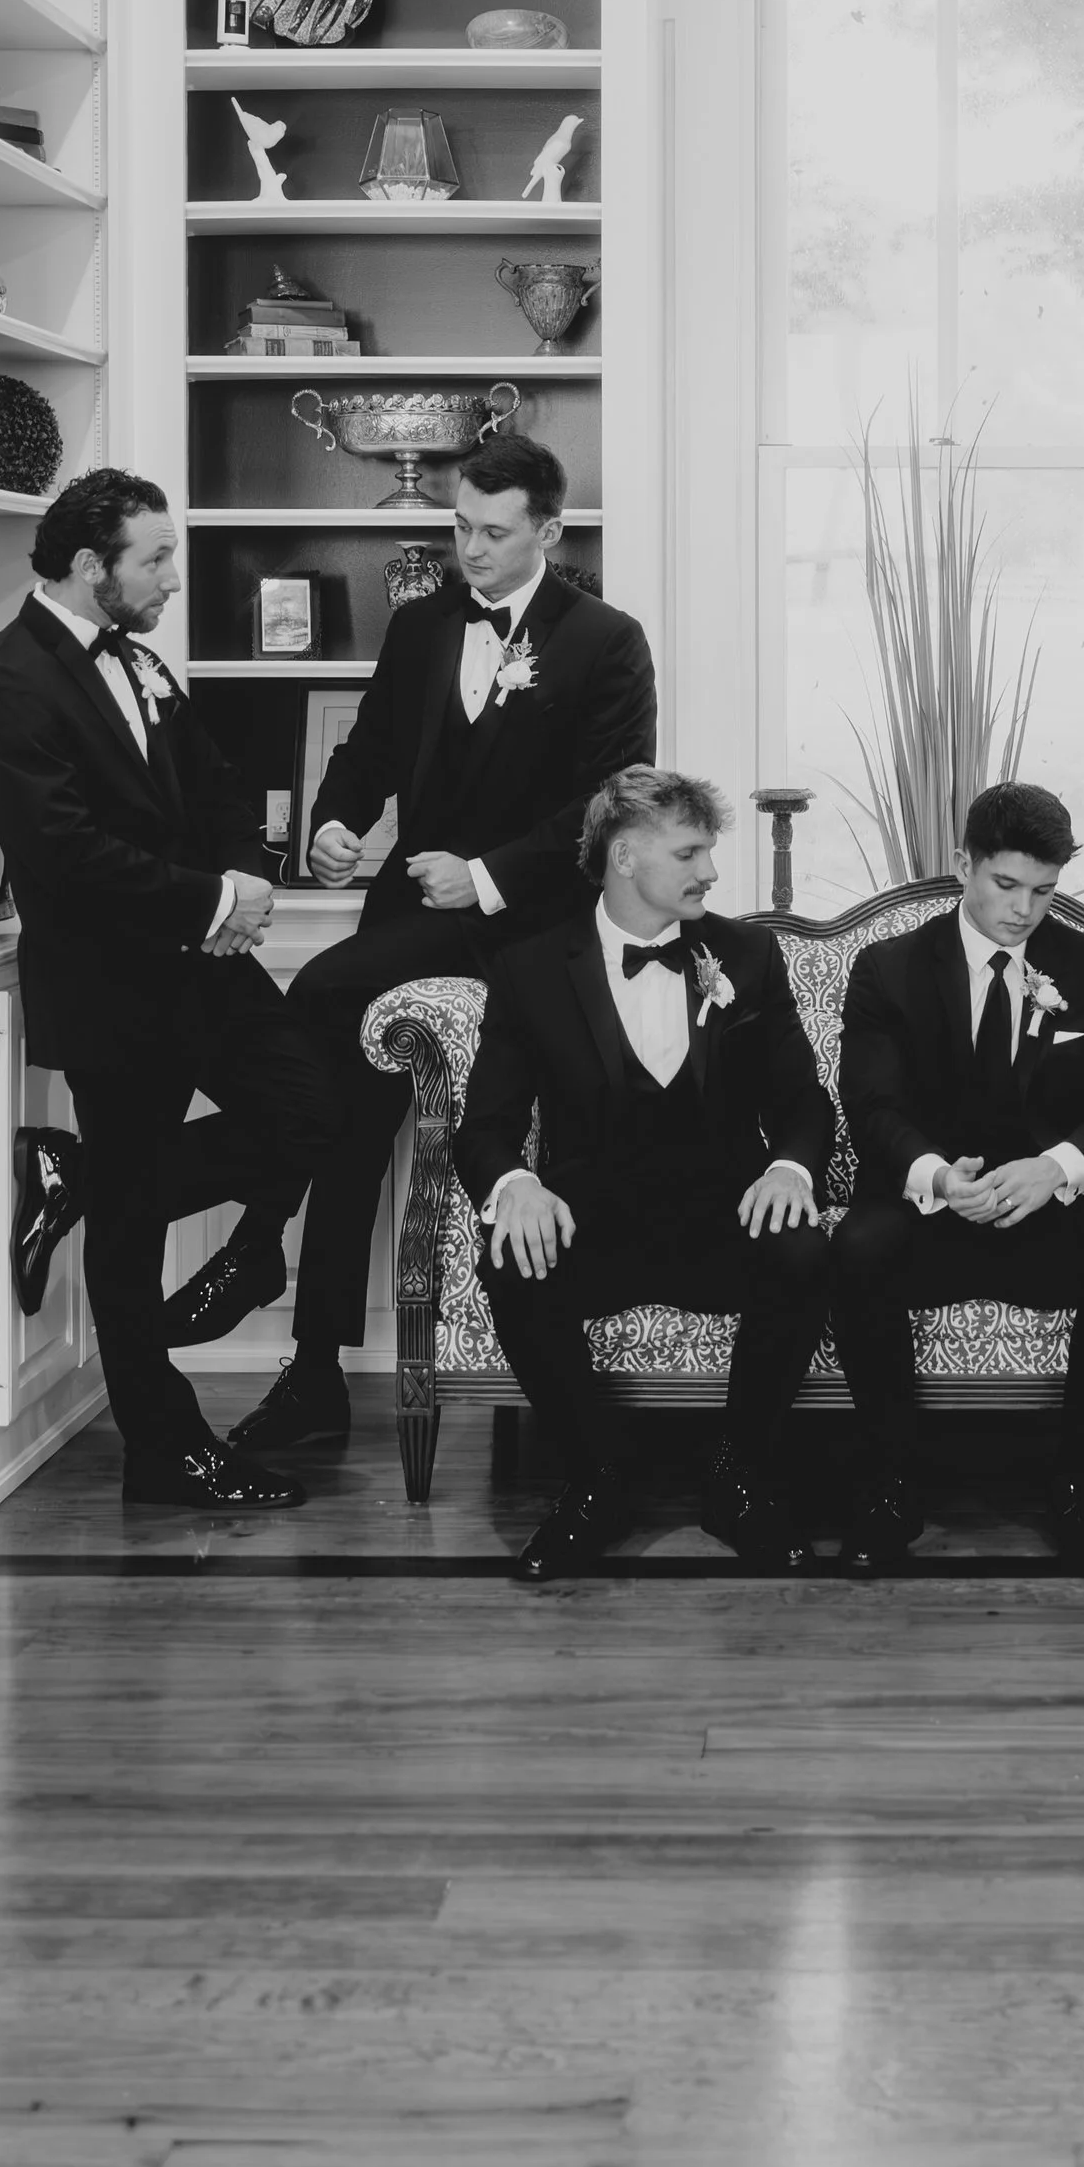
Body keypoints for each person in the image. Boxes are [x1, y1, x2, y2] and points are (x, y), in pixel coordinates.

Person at [176, 431, 656, 1469]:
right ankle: (310, 1371)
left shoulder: (607, 641)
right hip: (407, 917)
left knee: (317, 988)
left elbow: (608, 806)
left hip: (531, 933)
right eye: (457, 529)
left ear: (547, 530)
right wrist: (335, 824)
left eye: (492, 533)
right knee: (345, 1119)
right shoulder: (424, 624)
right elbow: (371, 752)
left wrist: (482, 875)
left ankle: (257, 1241)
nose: (469, 551)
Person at [0, 470, 345, 1509]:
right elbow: (64, 856)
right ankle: (165, 1449)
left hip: (207, 968)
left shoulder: (139, 660)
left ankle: (70, 1176)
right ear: (92, 567)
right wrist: (209, 903)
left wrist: (244, 885)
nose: (173, 576)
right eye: (156, 558)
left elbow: (214, 788)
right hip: (113, 988)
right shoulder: (6, 683)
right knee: (130, 1242)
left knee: (317, 1111)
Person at [453, 769, 833, 1583]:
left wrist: (792, 1167)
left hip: (722, 1213)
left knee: (803, 1248)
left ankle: (739, 1480)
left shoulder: (747, 954)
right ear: (625, 857)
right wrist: (516, 1185)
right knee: (509, 1253)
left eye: (709, 852)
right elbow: (484, 1126)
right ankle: (597, 1482)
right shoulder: (529, 968)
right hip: (596, 1219)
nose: (710, 872)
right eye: (690, 852)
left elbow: (802, 1097)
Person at [829, 782, 1084, 1574]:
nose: (1024, 911)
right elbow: (869, 1104)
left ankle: (1076, 1482)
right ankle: (891, 1485)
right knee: (854, 1248)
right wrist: (938, 1177)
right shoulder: (888, 968)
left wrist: (1056, 1169)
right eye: (1006, 885)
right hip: (928, 1213)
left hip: (1051, 1214)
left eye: (1044, 892)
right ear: (962, 865)